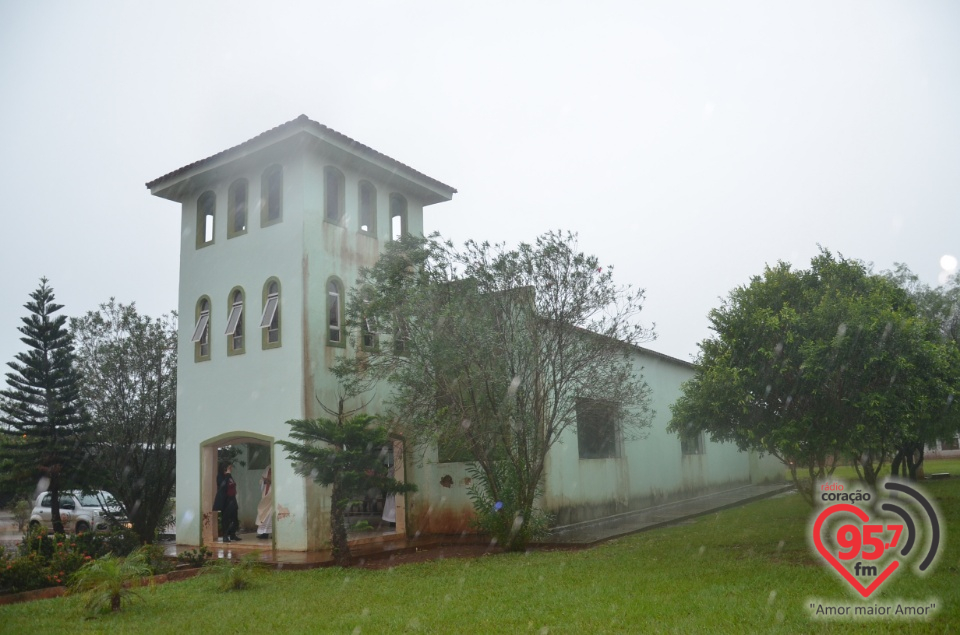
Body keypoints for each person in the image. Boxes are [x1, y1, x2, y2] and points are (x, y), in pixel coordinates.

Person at [218, 464, 241, 542]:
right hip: (226, 500)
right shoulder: (220, 476)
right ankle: (225, 536)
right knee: (226, 519)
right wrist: (228, 474)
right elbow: (223, 485)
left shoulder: (229, 476)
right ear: (225, 468)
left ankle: (233, 535)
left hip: (232, 499)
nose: (231, 469)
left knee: (235, 519)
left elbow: (232, 484)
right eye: (229, 467)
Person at [256, 465, 273, 539]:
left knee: (270, 514)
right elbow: (261, 480)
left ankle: (273, 533)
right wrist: (265, 481)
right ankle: (264, 533)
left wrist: (272, 481)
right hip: (266, 490)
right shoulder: (267, 468)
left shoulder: (277, 466)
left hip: (272, 492)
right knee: (262, 510)